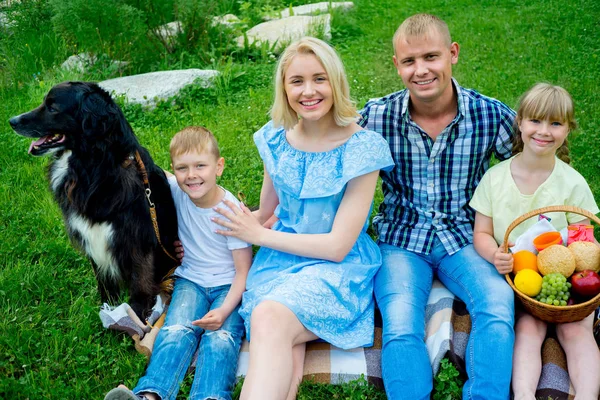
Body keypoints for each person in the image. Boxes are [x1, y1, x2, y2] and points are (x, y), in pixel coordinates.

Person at [210, 37, 394, 400]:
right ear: (284, 87)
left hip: (337, 269)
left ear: (336, 83)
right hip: (281, 263)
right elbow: (265, 213)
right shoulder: (276, 139)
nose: (308, 91)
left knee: (269, 318)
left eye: (319, 79)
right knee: (278, 334)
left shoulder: (362, 148)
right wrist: (207, 230)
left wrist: (260, 236)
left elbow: (338, 246)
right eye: (297, 81)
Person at [359, 13, 517, 400]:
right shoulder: (375, 117)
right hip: (400, 238)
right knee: (399, 322)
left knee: (497, 304)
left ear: (453, 54)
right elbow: (335, 162)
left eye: (431, 57)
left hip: (465, 236)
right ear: (396, 65)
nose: (421, 70)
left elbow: (535, 168)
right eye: (409, 61)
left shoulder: (489, 114)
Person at [471, 83, 600, 400]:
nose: (544, 131)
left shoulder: (571, 182)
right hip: (523, 279)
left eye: (556, 123)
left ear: (568, 129)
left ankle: (587, 395)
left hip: (565, 278)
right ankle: (525, 395)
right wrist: (495, 255)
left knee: (577, 330)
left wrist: (579, 269)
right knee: (527, 330)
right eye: (536, 121)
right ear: (519, 121)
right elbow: (482, 233)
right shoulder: (495, 178)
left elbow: (584, 239)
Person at [104, 126, 253, 400]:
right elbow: (149, 170)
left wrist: (224, 311)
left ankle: (209, 397)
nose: (192, 175)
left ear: (219, 167)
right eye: (182, 168)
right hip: (190, 281)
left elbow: (244, 272)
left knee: (220, 341)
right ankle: (149, 395)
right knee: (174, 331)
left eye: (200, 166)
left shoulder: (231, 212)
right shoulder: (176, 189)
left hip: (229, 287)